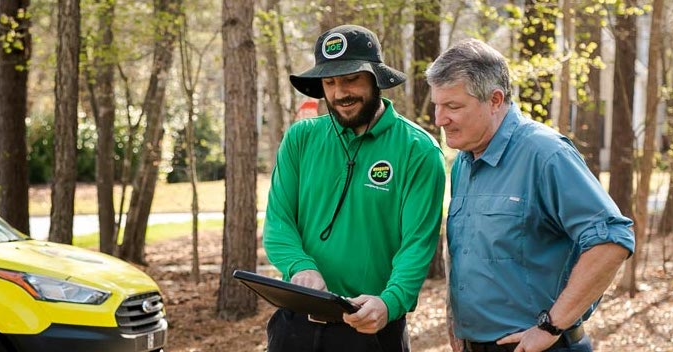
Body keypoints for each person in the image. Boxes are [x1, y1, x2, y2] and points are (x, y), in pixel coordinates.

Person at [428, 39, 635, 352]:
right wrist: (456, 325)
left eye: (453, 107)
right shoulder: (463, 162)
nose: (439, 119)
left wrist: (551, 325)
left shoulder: (545, 154)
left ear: (495, 100)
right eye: (437, 105)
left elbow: (611, 240)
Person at [263, 24, 446, 351]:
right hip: (294, 326)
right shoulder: (300, 139)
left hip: (371, 326)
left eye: (351, 79)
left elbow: (417, 245)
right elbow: (279, 223)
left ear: (376, 78)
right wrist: (301, 267)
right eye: (330, 82)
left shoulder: (418, 150)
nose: (339, 93)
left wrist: (390, 302)